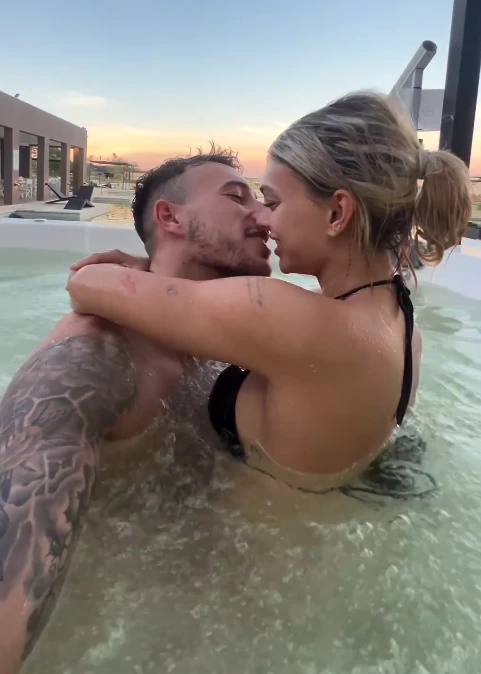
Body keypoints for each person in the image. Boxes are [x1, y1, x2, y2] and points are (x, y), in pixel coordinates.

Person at [68, 91, 471, 494]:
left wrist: (143, 270)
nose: (263, 219)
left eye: (273, 203)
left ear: (337, 213)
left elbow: (86, 283)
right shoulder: (405, 331)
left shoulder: (288, 317)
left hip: (230, 535)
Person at [0, 147, 270, 674]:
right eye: (237, 197)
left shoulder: (227, 344)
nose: (263, 215)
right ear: (170, 217)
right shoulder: (93, 357)